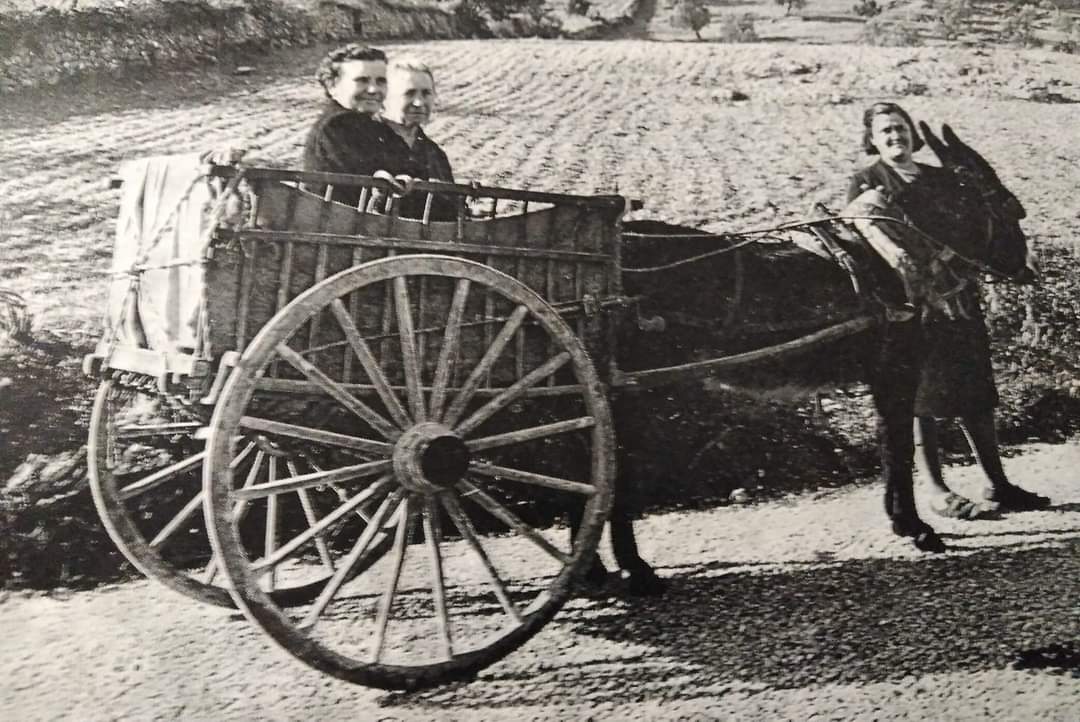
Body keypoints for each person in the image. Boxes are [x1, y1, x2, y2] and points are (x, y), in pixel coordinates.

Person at [846, 101, 1050, 519]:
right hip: (913, 305)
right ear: (872, 138)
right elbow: (864, 234)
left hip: (959, 297)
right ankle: (938, 490)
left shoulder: (940, 179)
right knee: (922, 395)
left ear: (912, 133)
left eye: (900, 128)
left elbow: (973, 229)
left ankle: (998, 483)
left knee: (977, 391)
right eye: (885, 131)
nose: (894, 136)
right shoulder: (868, 180)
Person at [302, 44, 395, 205]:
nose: (373, 90)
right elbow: (357, 186)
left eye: (380, 82)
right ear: (332, 86)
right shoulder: (337, 125)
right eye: (362, 81)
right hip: (336, 222)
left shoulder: (372, 124)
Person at [373, 56, 457, 222]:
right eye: (409, 94)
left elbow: (450, 213)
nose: (419, 103)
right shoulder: (364, 141)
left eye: (426, 94)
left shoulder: (435, 154)